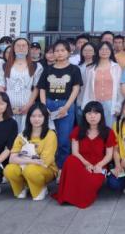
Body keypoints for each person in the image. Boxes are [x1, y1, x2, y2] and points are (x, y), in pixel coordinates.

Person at [54, 101, 116, 208]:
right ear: (85, 115)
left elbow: (109, 155)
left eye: (96, 113)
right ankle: (69, 197)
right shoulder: (78, 130)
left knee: (92, 183)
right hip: (81, 164)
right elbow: (75, 152)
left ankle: (79, 196)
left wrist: (99, 165)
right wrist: (86, 164)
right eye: (89, 113)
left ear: (101, 115)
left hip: (98, 166)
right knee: (70, 160)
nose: (92, 116)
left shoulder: (108, 132)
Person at [37, 40, 83, 169]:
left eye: (63, 50)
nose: (59, 53)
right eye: (56, 51)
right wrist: (44, 106)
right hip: (49, 104)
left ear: (69, 52)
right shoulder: (48, 69)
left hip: (66, 106)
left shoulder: (74, 69)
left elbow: (76, 89)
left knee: (64, 139)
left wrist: (67, 107)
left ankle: (61, 168)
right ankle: (48, 166)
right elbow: (42, 89)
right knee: (48, 137)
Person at [4, 102, 58, 200]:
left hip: (46, 169)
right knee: (9, 169)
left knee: (31, 170)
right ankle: (22, 187)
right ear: (28, 117)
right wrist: (31, 161)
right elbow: (12, 159)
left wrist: (23, 160)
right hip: (26, 166)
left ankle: (40, 188)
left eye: (40, 116)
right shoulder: (22, 135)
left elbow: (44, 162)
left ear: (45, 118)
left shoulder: (50, 135)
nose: (36, 119)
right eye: (33, 116)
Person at [0, 37, 42, 132]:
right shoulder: (4, 66)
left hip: (27, 104)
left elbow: (36, 88)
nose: (21, 48)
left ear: (28, 48)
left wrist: (29, 105)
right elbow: (0, 86)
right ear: (13, 48)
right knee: (8, 133)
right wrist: (6, 105)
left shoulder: (36, 66)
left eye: (24, 45)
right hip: (8, 106)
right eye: (18, 45)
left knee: (25, 133)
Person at [82, 41, 123, 119]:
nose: (104, 51)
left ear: (111, 51)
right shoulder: (90, 68)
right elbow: (87, 89)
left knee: (109, 126)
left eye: (107, 49)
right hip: (94, 103)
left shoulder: (116, 67)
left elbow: (119, 88)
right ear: (97, 51)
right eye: (102, 49)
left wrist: (118, 106)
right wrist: (86, 104)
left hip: (111, 103)